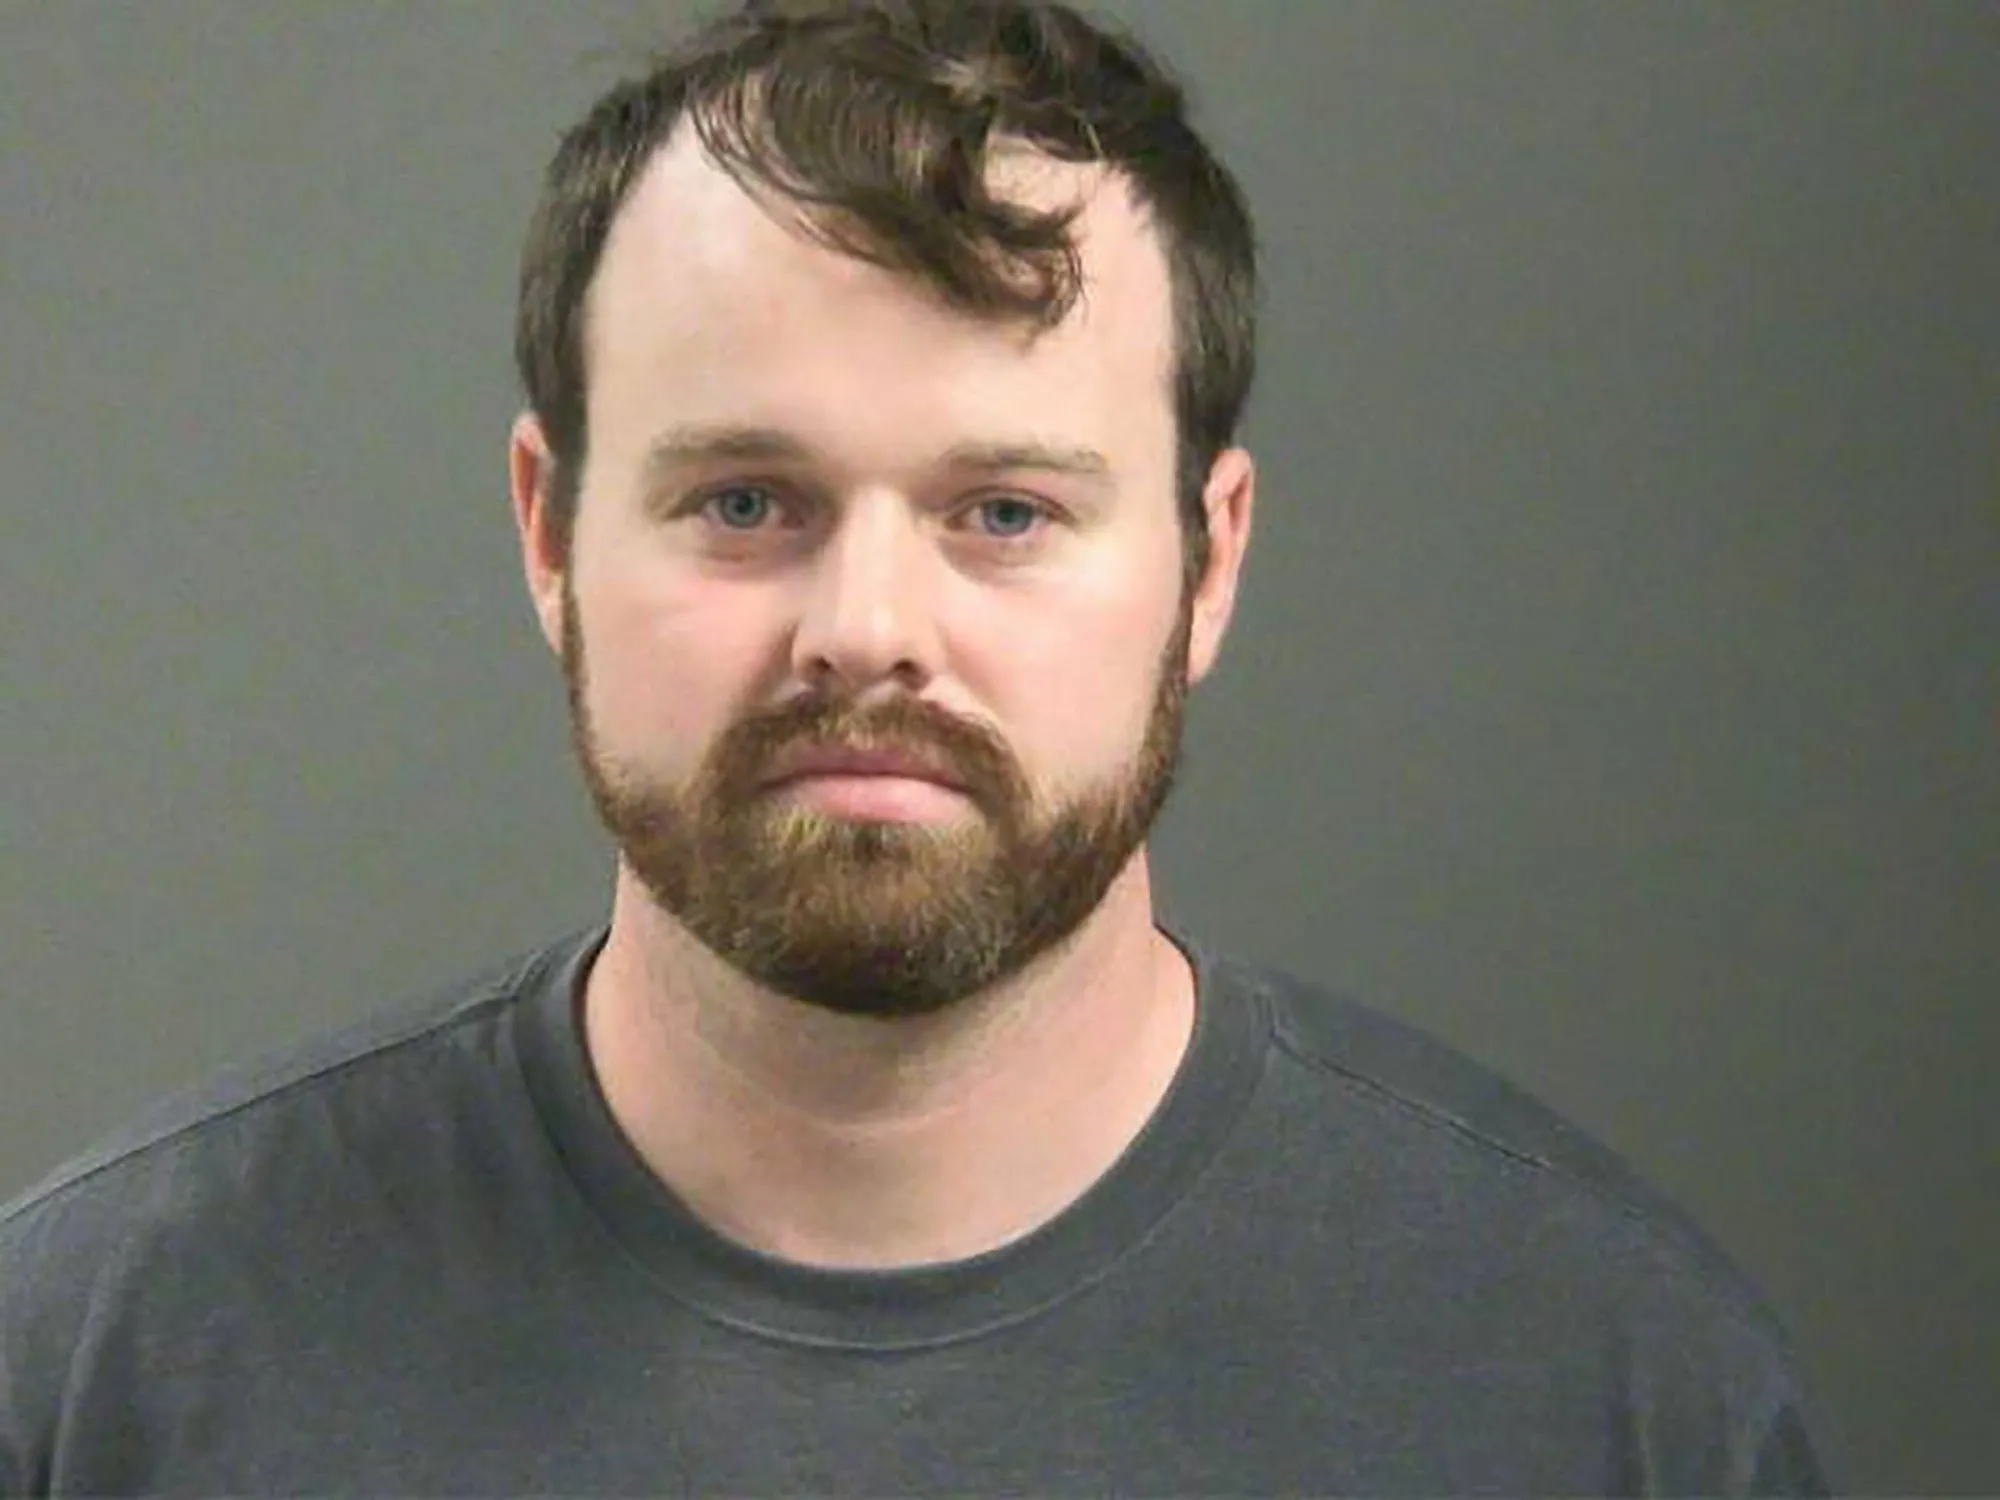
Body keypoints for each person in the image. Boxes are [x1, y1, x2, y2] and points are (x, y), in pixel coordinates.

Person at [0, 1, 1839, 1493]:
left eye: (1006, 512)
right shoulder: (105, 1365)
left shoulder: (1612, 1396)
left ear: (1213, 560)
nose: (867, 625)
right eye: (743, 499)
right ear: (548, 534)